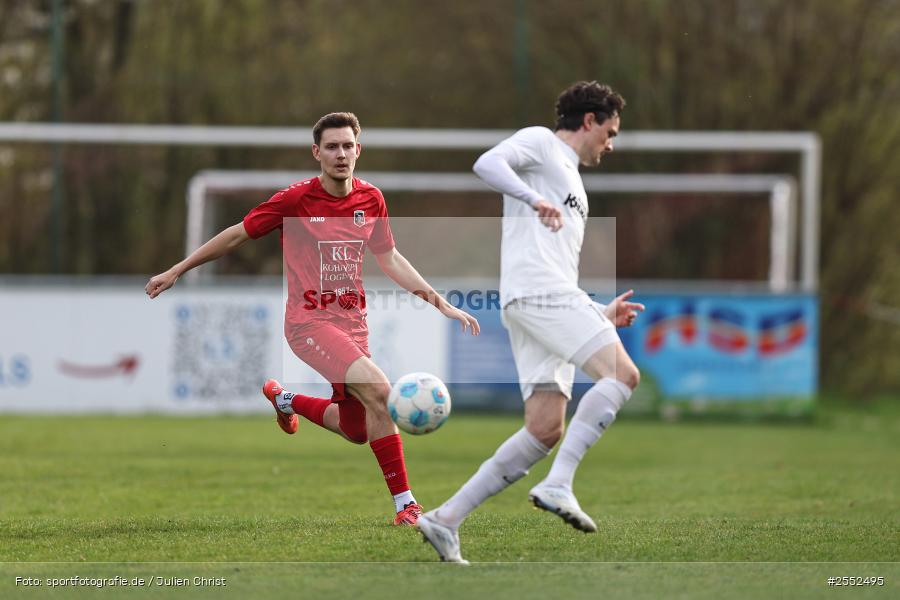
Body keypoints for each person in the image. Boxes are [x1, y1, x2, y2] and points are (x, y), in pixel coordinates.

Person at [146, 112, 480, 526]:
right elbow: (236, 233)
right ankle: (406, 506)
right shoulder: (295, 200)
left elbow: (389, 257)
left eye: (347, 146)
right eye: (332, 147)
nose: (341, 154)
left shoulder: (371, 199)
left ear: (359, 150)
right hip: (309, 324)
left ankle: (284, 399)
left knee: (358, 429)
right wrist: (178, 269)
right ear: (316, 153)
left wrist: (439, 302)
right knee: (380, 391)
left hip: (353, 324)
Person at [417, 82, 644, 562]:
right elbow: (487, 163)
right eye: (611, 131)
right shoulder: (542, 142)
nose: (611, 142)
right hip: (539, 292)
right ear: (589, 122)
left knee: (544, 429)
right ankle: (559, 483)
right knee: (623, 375)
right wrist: (531, 198)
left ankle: (445, 519)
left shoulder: (573, 180)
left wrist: (600, 315)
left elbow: (551, 259)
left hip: (539, 298)